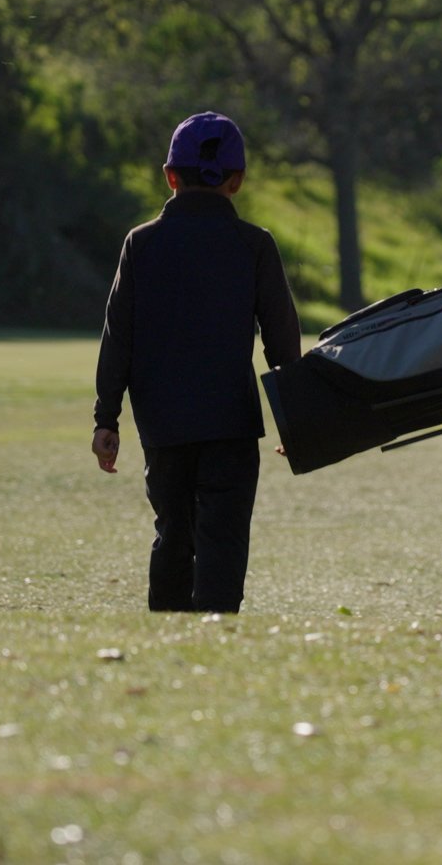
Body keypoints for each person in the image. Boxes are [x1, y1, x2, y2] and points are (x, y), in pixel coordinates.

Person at [92, 111, 303, 614]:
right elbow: (281, 339)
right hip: (230, 420)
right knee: (223, 537)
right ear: (237, 180)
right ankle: (218, 628)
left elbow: (117, 335)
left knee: (173, 531)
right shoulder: (254, 245)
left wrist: (107, 418)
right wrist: (297, 419)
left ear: (170, 175)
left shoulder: (141, 244)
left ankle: (167, 625)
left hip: (162, 422)